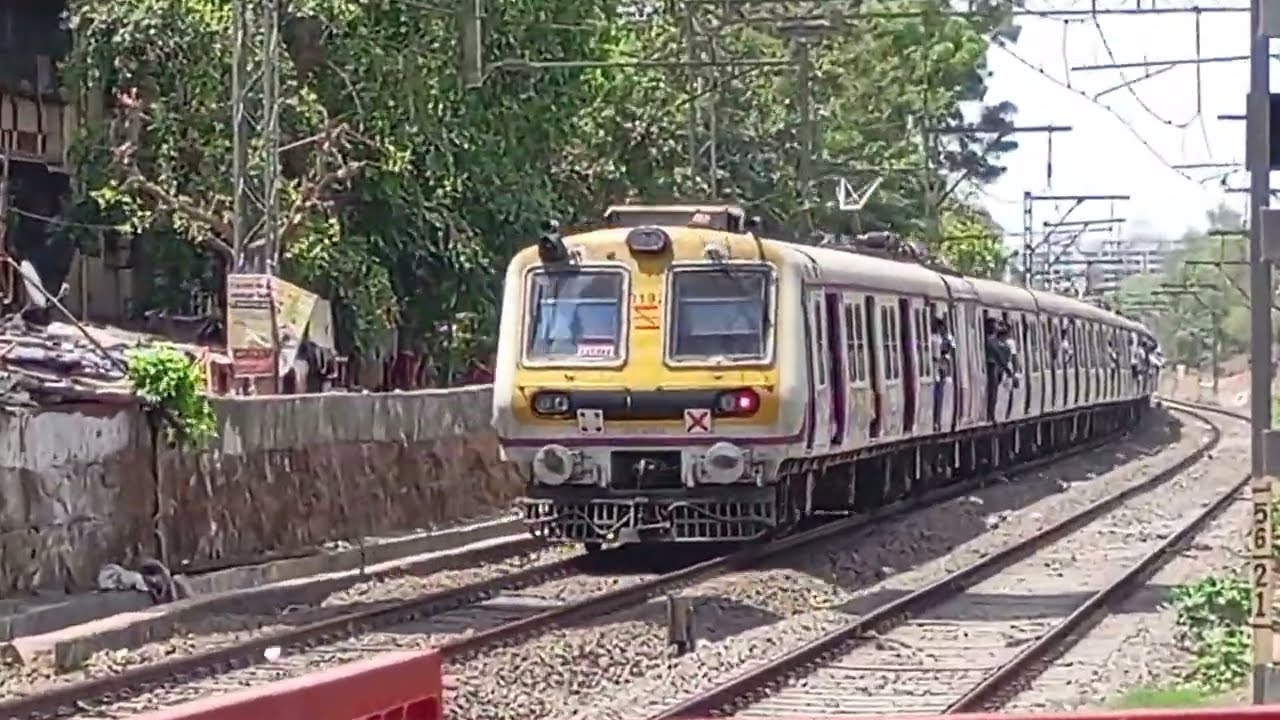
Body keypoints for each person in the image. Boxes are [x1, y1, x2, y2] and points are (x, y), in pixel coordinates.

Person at [930, 314, 954, 432]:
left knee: (938, 397)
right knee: (938, 397)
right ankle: (937, 421)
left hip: (940, 370)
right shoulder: (938, 339)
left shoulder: (939, 338)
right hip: (939, 370)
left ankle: (937, 421)